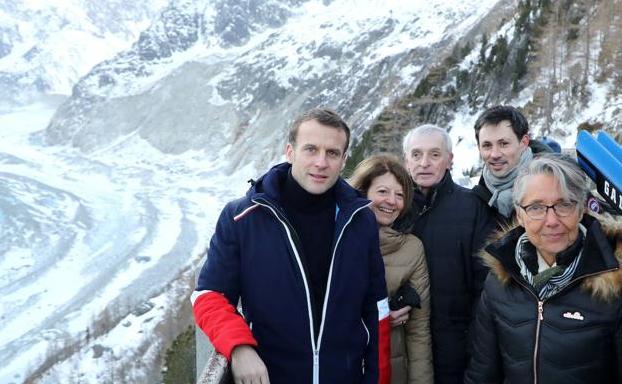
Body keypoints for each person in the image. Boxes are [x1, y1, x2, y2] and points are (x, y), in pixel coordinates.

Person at [191, 107, 391, 384]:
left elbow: (375, 308)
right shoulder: (243, 217)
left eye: (332, 153)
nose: (321, 162)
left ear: (344, 159)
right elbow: (209, 296)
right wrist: (238, 347)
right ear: (290, 152)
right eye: (311, 149)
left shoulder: (360, 220)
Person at [465, 154, 622, 383]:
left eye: (564, 205)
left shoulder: (613, 281)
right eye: (536, 207)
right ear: (520, 215)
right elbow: (483, 371)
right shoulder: (499, 280)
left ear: (581, 210)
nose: (551, 220)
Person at [396, 124, 492, 384]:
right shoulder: (392, 209)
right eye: (416, 155)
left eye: (434, 154)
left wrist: (477, 345)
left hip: (457, 348)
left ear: (449, 160)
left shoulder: (473, 207)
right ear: (406, 160)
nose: (424, 163)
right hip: (402, 344)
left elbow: (486, 285)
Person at [349, 154, 433, 384]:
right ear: (363, 191)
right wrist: (379, 317)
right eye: (383, 192)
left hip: (392, 368)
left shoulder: (412, 248)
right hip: (342, 365)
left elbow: (419, 331)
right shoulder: (337, 237)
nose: (392, 201)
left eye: (399, 195)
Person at [472, 105, 552, 228]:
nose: (495, 154)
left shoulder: (557, 187)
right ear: (479, 148)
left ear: (524, 142)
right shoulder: (475, 200)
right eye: (487, 145)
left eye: (504, 144)